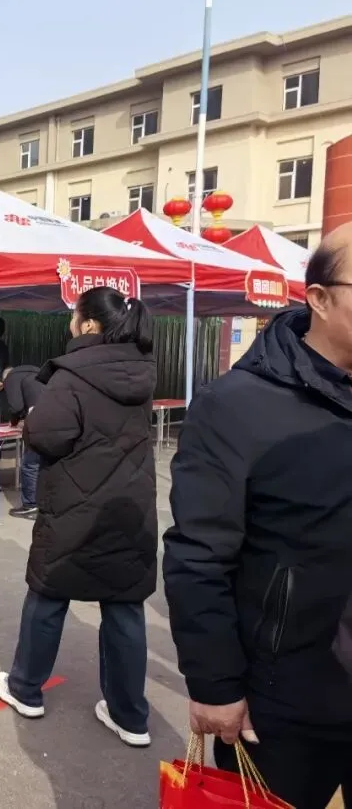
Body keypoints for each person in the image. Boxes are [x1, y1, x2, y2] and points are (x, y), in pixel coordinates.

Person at [163, 222, 352, 809]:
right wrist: (215, 684)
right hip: (286, 701)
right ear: (319, 299)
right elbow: (198, 555)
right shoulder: (236, 406)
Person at [0, 286, 157, 748]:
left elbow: (46, 437)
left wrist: (33, 412)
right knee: (125, 606)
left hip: (75, 505)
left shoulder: (73, 373)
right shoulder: (142, 370)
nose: (70, 323)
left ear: (89, 324)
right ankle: (130, 716)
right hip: (129, 504)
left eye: (73, 315)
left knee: (48, 595)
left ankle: (26, 688)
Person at [0, 364, 44, 519]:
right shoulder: (38, 372)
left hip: (39, 420)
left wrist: (13, 421)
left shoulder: (11, 378)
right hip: (58, 415)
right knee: (46, 463)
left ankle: (31, 506)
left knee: (31, 464)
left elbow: (16, 406)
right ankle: (45, 503)